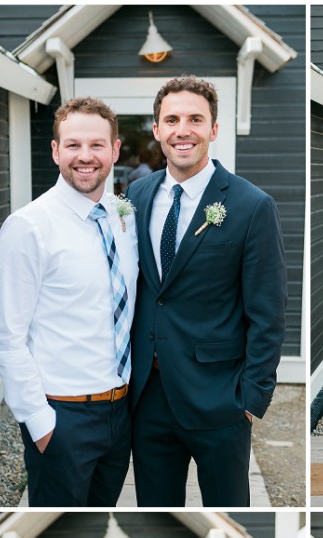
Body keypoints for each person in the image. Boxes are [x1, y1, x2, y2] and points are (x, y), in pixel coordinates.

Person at [127, 76, 287, 507]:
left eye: (195, 119)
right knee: (155, 509)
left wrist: (251, 398)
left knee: (229, 508)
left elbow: (268, 310)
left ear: (214, 129)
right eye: (172, 119)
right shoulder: (136, 196)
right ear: (157, 129)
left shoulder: (251, 205)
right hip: (147, 396)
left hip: (220, 397)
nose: (184, 130)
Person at [0, 98, 138, 507]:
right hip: (62, 417)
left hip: (120, 413)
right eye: (72, 145)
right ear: (55, 151)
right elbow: (3, 337)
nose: (85, 157)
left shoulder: (123, 219)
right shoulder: (29, 227)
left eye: (96, 145)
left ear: (115, 150)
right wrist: (40, 422)